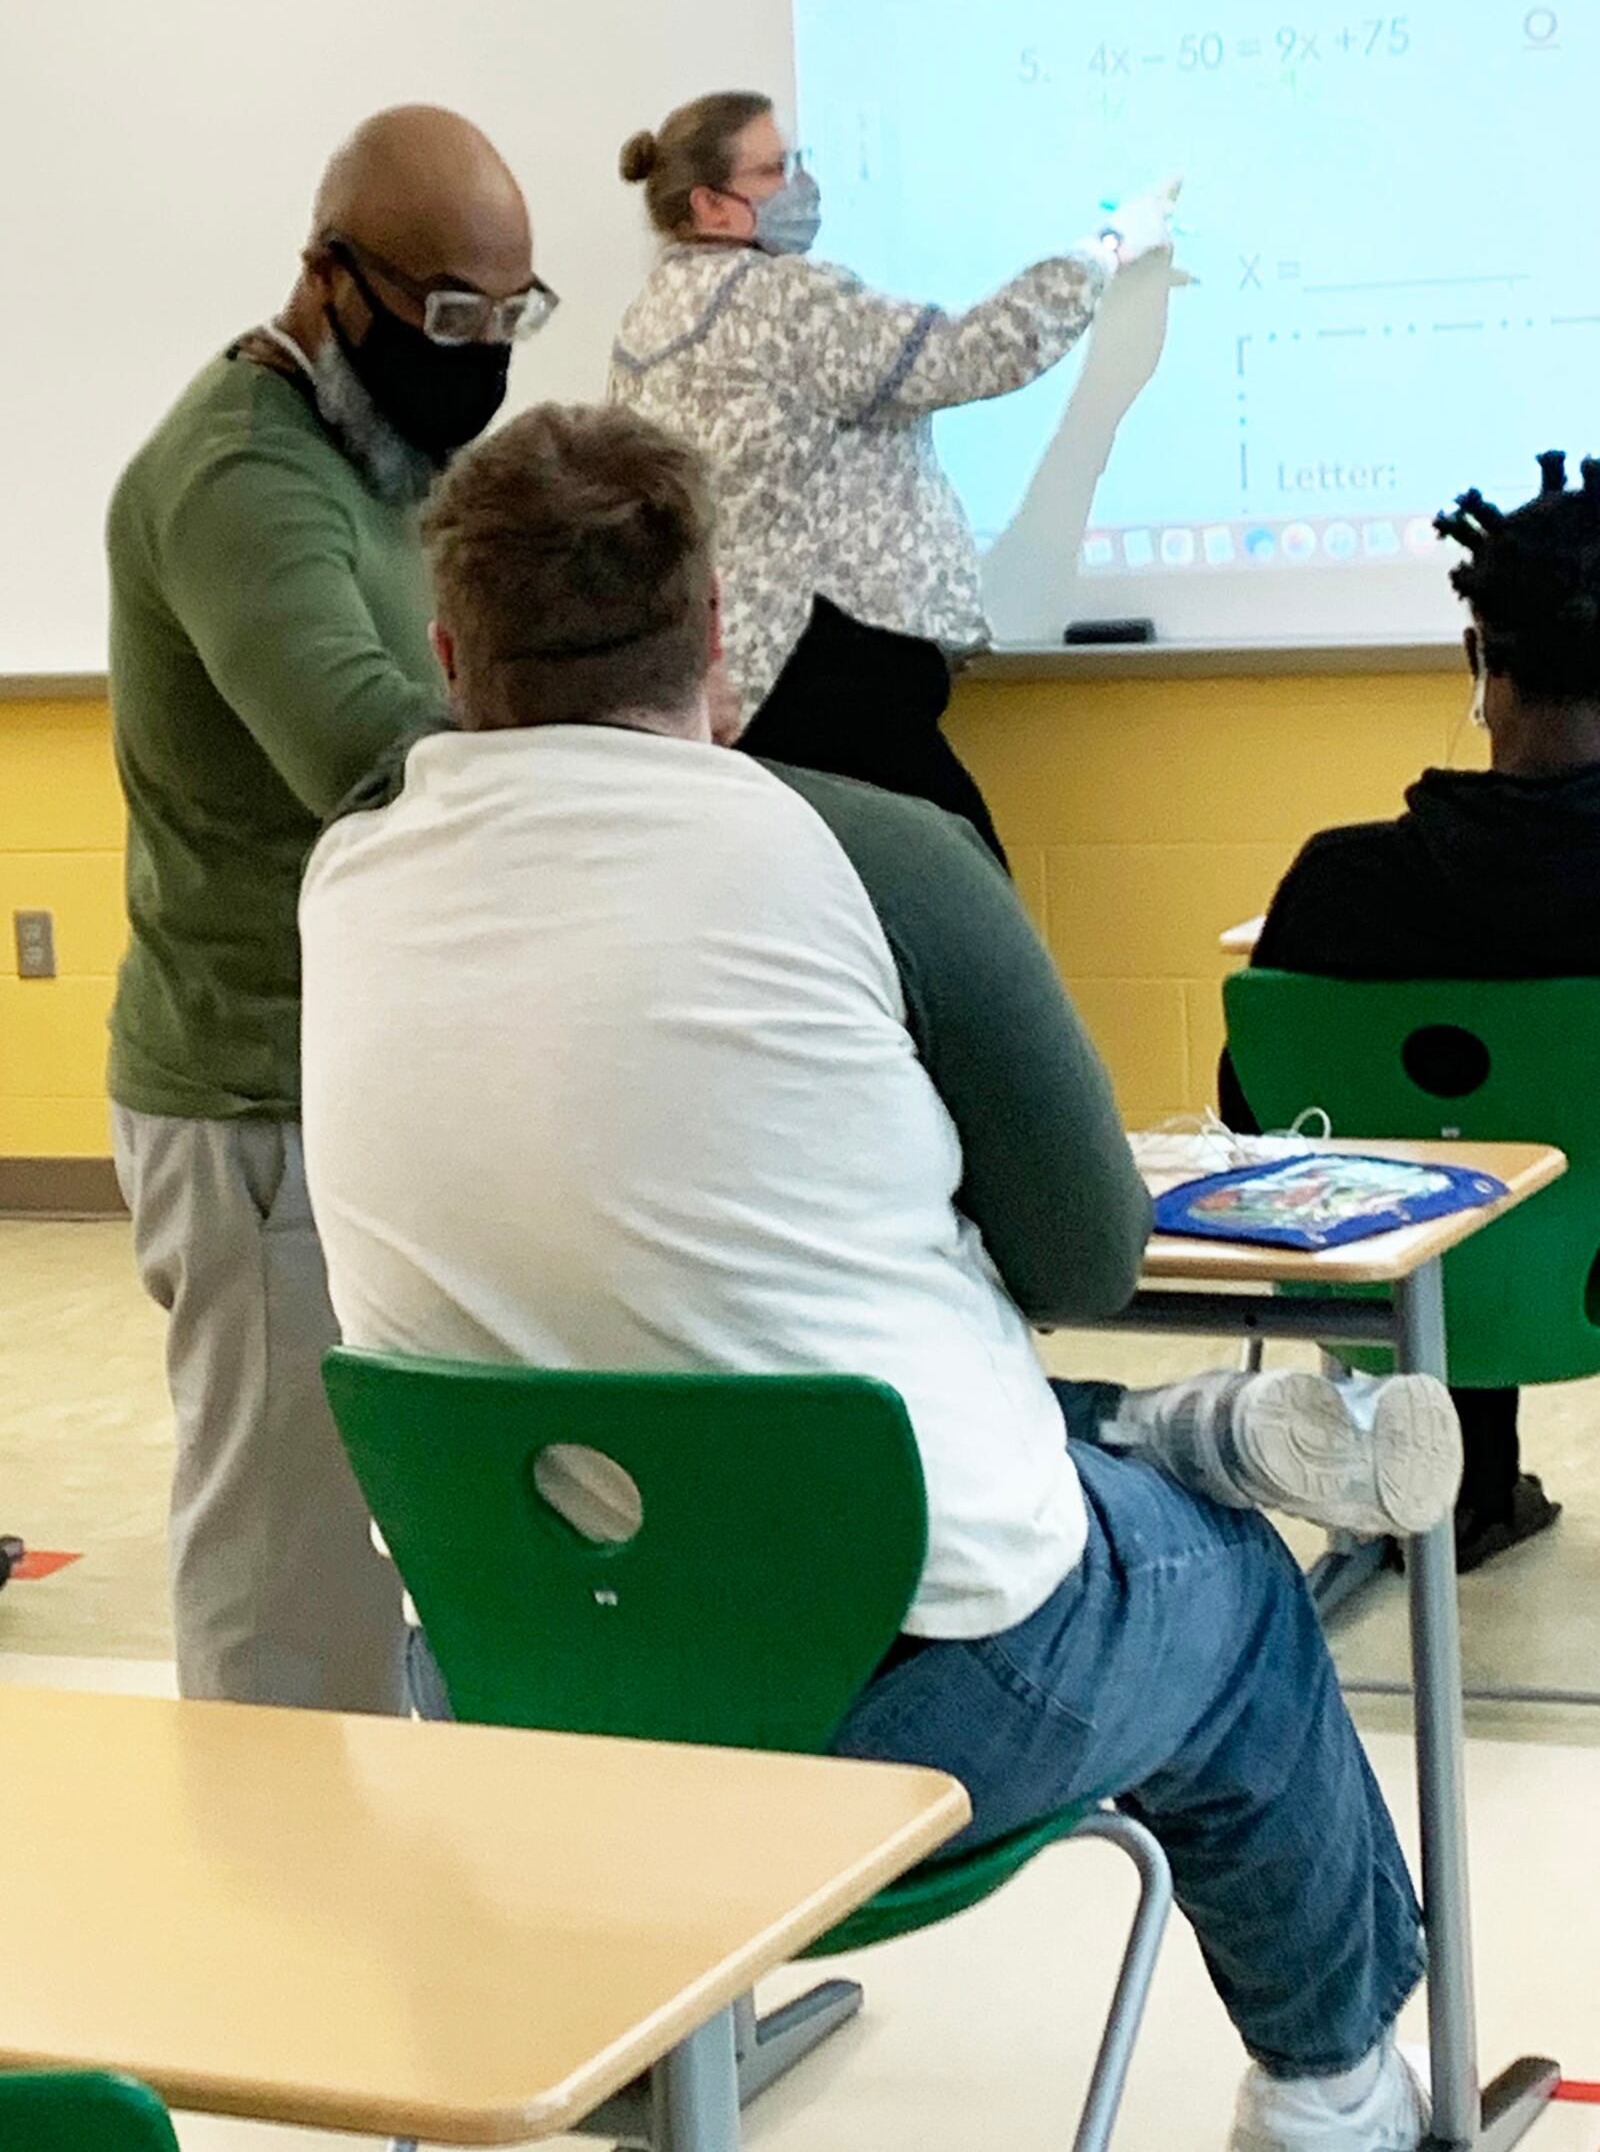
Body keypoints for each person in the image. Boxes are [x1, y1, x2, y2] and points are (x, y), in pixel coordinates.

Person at [299, 402, 1463, 2149]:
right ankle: (1335, 2090)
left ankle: (1158, 1440)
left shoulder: (350, 880)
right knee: (1233, 1597)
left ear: (452, 652)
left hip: (522, 1688)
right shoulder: (866, 850)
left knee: (786, 1384)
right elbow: (1084, 1250)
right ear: (715, 640)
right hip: (910, 1701)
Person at [106, 104, 554, 1712]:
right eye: (450, 319)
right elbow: (368, 751)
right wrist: (605, 778)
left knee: (419, 1530)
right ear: (329, 277)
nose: (483, 358)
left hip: (378, 1076)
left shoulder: (391, 451)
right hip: (253, 1096)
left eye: (511, 319)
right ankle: (269, 1920)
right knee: (282, 1558)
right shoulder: (240, 473)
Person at [609, 90, 1178, 863]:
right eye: (776, 169)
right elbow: (976, 350)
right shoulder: (781, 300)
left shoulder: (645, 323)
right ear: (711, 204)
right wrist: (1107, 249)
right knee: (964, 895)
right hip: (832, 666)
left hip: (739, 683)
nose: (800, 185)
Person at [1221, 449, 1600, 1573]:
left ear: (1478, 657)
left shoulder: (1339, 885)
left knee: (1447, 1165)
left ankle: (1462, 1490)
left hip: (1402, 1291)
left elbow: (1255, 1120)